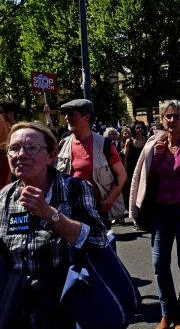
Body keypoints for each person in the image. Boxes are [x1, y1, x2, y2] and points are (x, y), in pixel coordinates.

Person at [0, 121, 107, 328]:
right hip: (17, 302)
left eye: (32, 148)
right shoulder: (5, 197)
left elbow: (98, 240)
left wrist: (49, 214)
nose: (21, 154)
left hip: (64, 302)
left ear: (51, 155)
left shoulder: (73, 188)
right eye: (14, 148)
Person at [129, 100, 180, 329]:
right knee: (159, 264)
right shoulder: (155, 145)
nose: (172, 120)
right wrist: (156, 157)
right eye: (168, 116)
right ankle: (167, 313)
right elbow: (147, 180)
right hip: (160, 213)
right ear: (162, 120)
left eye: (177, 116)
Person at [56, 99, 127, 231]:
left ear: (86, 116)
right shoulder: (63, 144)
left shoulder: (104, 144)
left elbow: (121, 175)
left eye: (71, 114)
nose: (66, 117)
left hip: (97, 212)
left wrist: (108, 202)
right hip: (69, 213)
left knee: (101, 250)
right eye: (65, 114)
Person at [123, 120, 147, 226]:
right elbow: (125, 159)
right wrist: (125, 174)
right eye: (137, 127)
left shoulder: (147, 140)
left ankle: (143, 215)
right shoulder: (129, 141)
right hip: (131, 170)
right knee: (132, 193)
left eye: (141, 127)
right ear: (134, 129)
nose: (140, 129)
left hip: (144, 170)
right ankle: (135, 217)